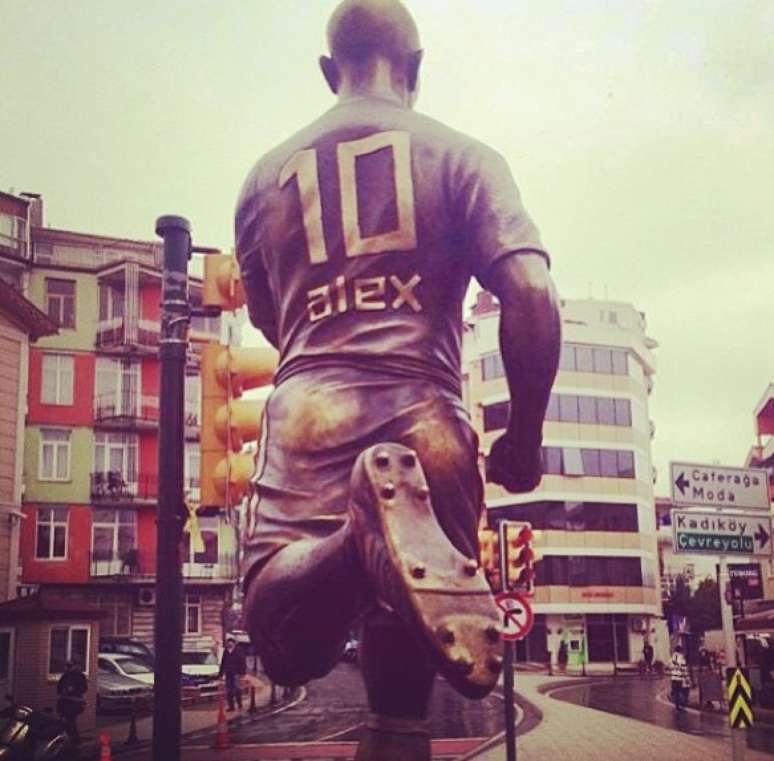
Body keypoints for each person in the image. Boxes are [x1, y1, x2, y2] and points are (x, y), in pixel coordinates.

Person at [236, 1, 560, 758]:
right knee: (402, 646)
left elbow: (267, 317)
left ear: (329, 71)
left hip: (311, 406)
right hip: (429, 425)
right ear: (414, 69)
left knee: (285, 640)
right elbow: (534, 295)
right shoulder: (464, 156)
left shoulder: (262, 179)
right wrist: (525, 436)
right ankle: (379, 550)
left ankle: (359, 539)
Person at [56, 660, 87, 744]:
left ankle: (75, 740)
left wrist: (73, 689)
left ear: (75, 666)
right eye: (67, 666)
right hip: (65, 702)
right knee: (66, 721)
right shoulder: (65, 675)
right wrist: (62, 691)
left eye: (70, 666)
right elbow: (59, 687)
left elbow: (83, 688)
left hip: (74, 702)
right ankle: (70, 739)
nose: (68, 668)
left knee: (70, 721)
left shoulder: (79, 676)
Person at [218, 638, 247, 712]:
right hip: (228, 674)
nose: (229, 645)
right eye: (228, 643)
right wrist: (220, 674)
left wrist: (242, 673)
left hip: (237, 673)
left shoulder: (239, 651)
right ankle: (231, 706)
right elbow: (223, 662)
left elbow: (243, 662)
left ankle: (239, 703)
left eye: (230, 643)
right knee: (229, 691)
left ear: (234, 643)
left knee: (237, 689)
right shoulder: (226, 651)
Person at [669, 645, 690, 711]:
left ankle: (677, 706)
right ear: (680, 650)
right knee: (681, 691)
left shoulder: (671, 658)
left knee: (676, 692)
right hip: (679, 677)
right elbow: (683, 668)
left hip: (673, 677)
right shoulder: (681, 657)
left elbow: (670, 667)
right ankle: (681, 706)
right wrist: (687, 677)